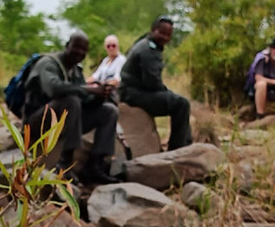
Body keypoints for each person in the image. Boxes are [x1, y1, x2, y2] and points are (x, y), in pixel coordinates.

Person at [23, 30, 120, 186]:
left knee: (109, 111)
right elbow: (53, 89)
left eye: (83, 50)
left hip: (61, 122)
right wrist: (88, 89)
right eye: (76, 48)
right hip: (36, 122)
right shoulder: (48, 63)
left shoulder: (76, 70)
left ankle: (94, 166)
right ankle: (64, 164)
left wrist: (100, 96)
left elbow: (85, 100)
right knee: (71, 101)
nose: (79, 53)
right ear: (67, 46)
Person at [120, 16, 192, 150]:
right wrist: (167, 92)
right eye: (162, 33)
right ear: (153, 30)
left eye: (168, 35)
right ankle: (178, 148)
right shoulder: (148, 50)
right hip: (133, 94)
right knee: (181, 104)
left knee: (177, 101)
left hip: (130, 91)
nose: (165, 37)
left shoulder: (144, 42)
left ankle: (185, 143)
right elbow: (152, 82)